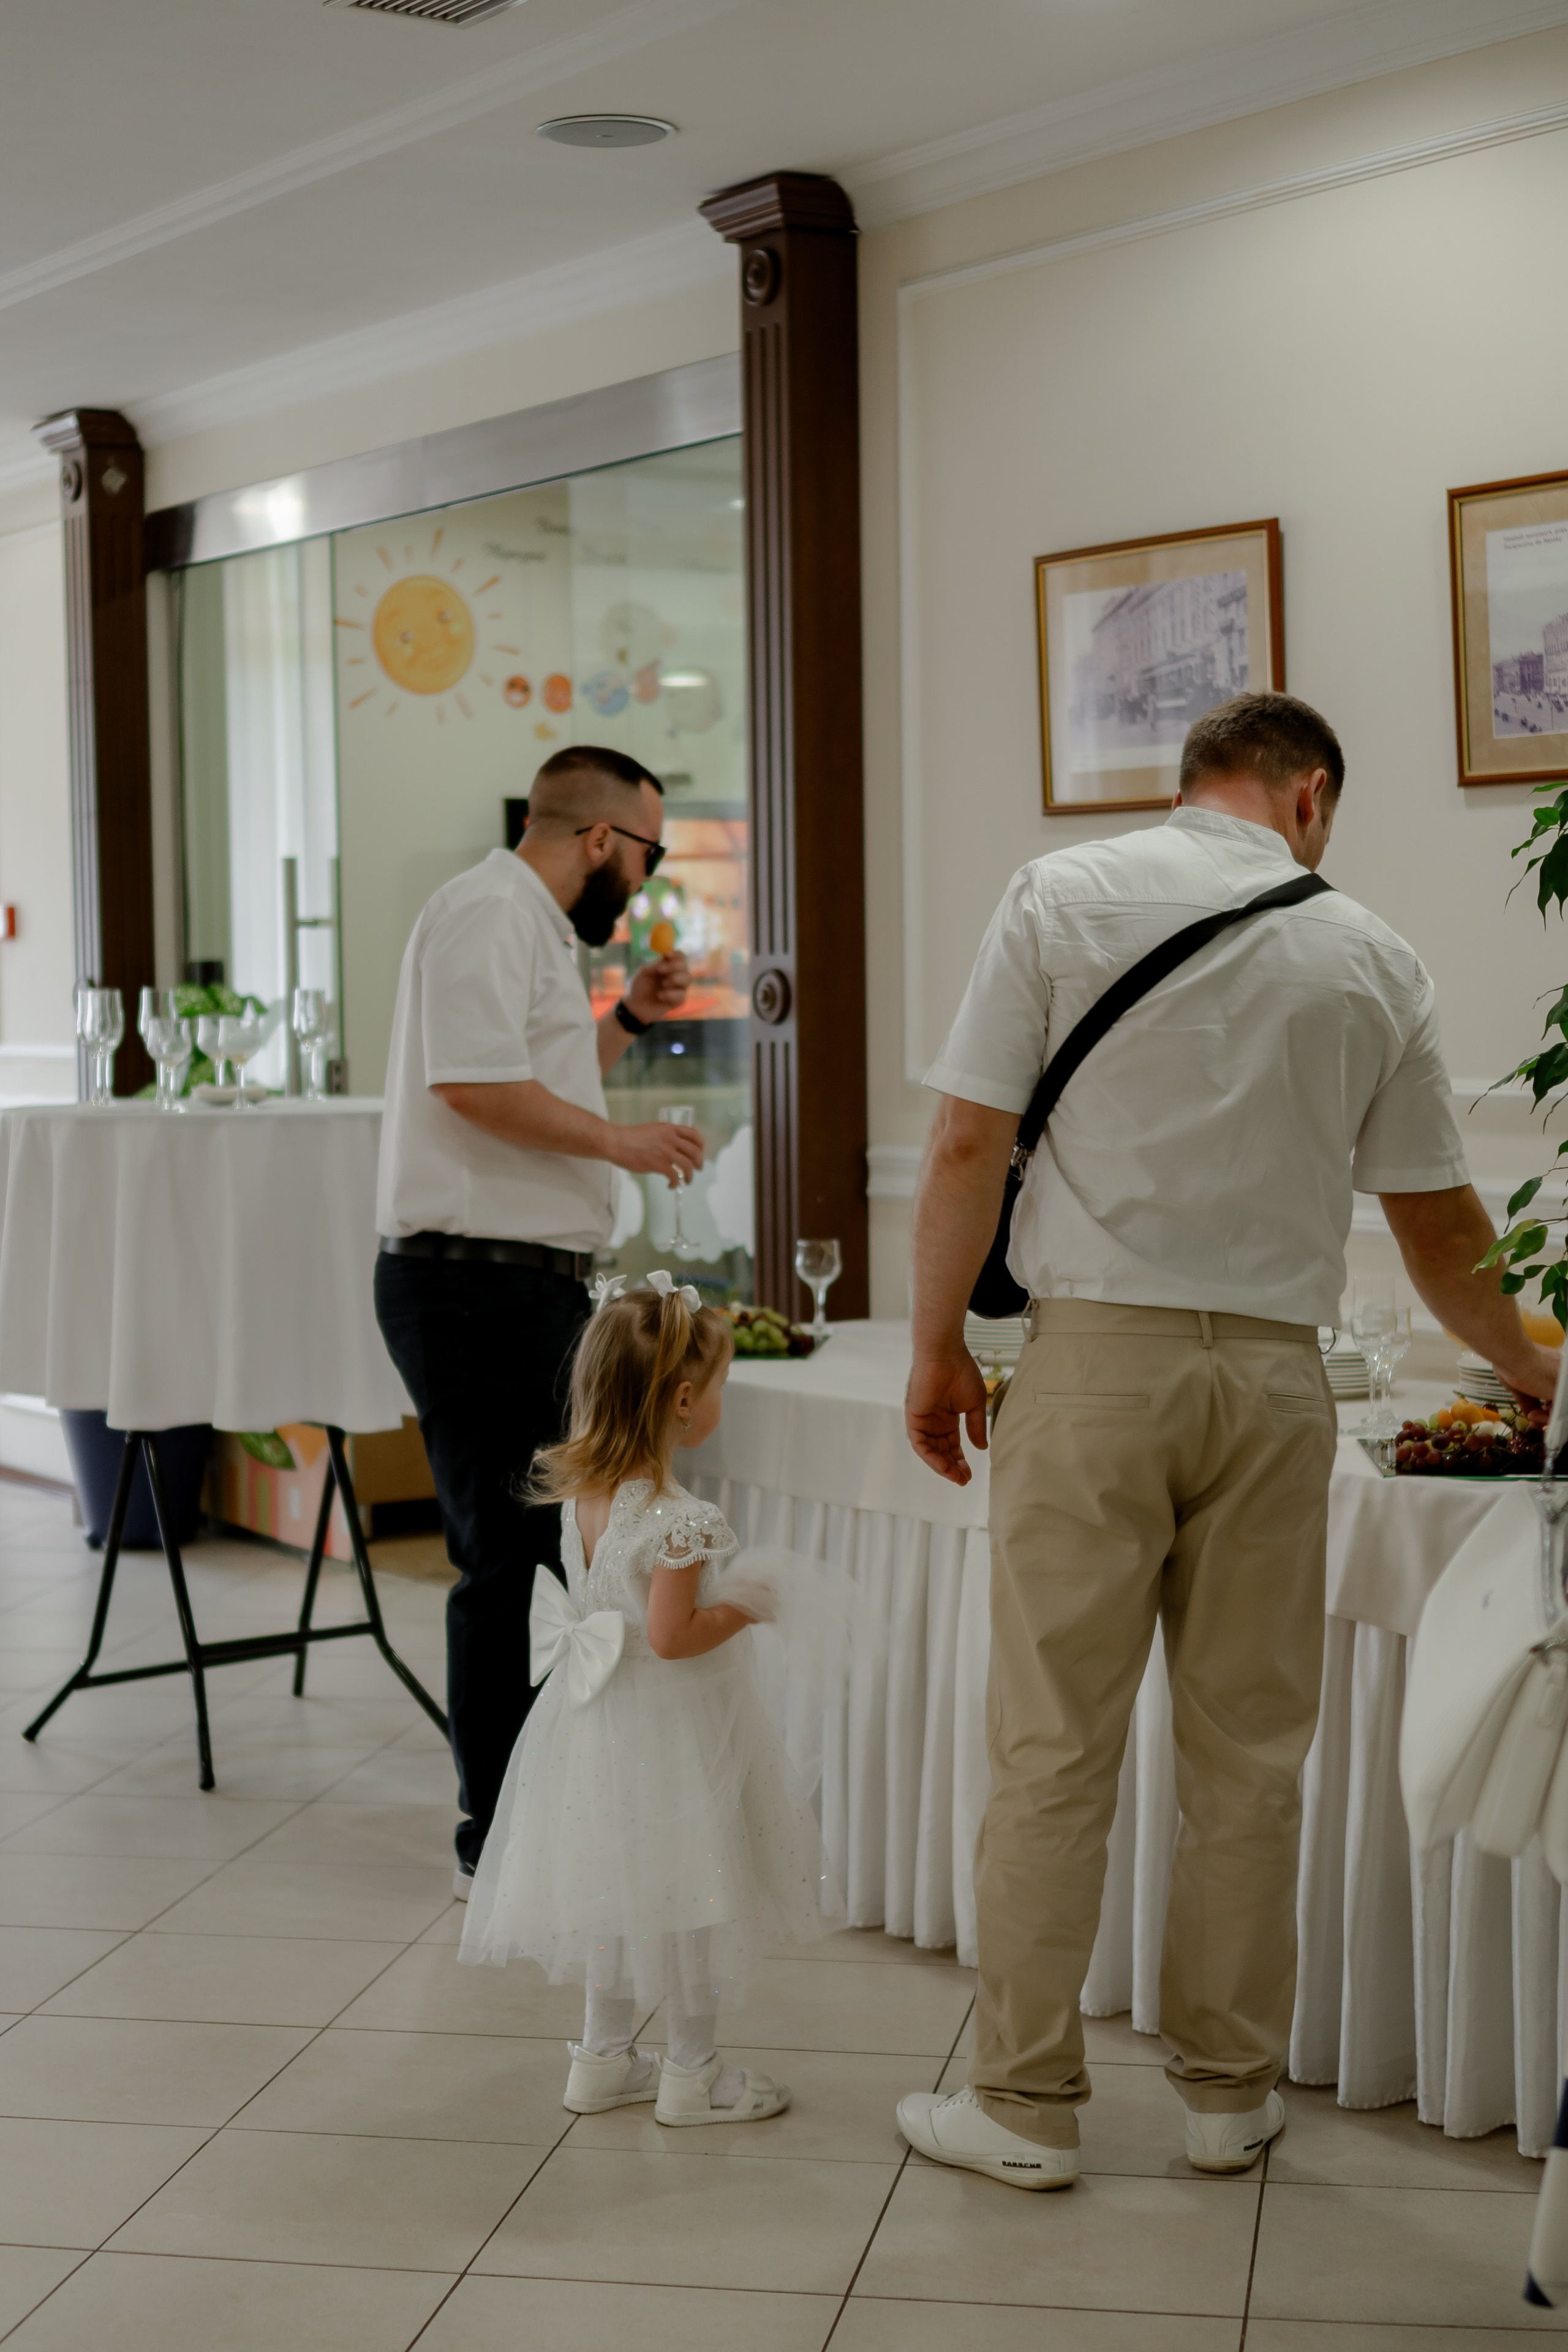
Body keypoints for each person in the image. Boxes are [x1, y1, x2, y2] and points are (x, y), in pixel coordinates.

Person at [894, 691, 1562, 2190]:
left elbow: (959, 1144)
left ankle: (1020, 2106)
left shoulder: (1059, 893)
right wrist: (1531, 1365)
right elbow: (1437, 1225)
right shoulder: (1371, 952)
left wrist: (937, 1349)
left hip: (1091, 1373)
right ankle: (1224, 2094)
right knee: (1248, 1756)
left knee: (1050, 1747)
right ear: (1308, 793)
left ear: (1195, 781)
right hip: (1272, 1385)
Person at [374, 745, 703, 1894]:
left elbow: (530, 1076)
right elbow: (469, 1087)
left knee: (541, 1556)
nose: (646, 881)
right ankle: (490, 1836)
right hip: (473, 1283)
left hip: (520, 1280)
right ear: (602, 840)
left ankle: (532, 1818)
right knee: (504, 1562)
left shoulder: (535, 930)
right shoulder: (487, 911)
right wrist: (623, 1142)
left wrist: (623, 1022)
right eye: (648, 854)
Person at [459, 1272, 838, 2125]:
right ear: (681, 1398)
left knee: (614, 1891)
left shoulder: (583, 1494)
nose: (721, 1405)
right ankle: (694, 2073)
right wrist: (745, 1607)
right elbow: (672, 1636)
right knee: (690, 1893)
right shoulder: (681, 1517)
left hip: (592, 1722)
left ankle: (602, 2059)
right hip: (668, 1728)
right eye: (722, 1390)